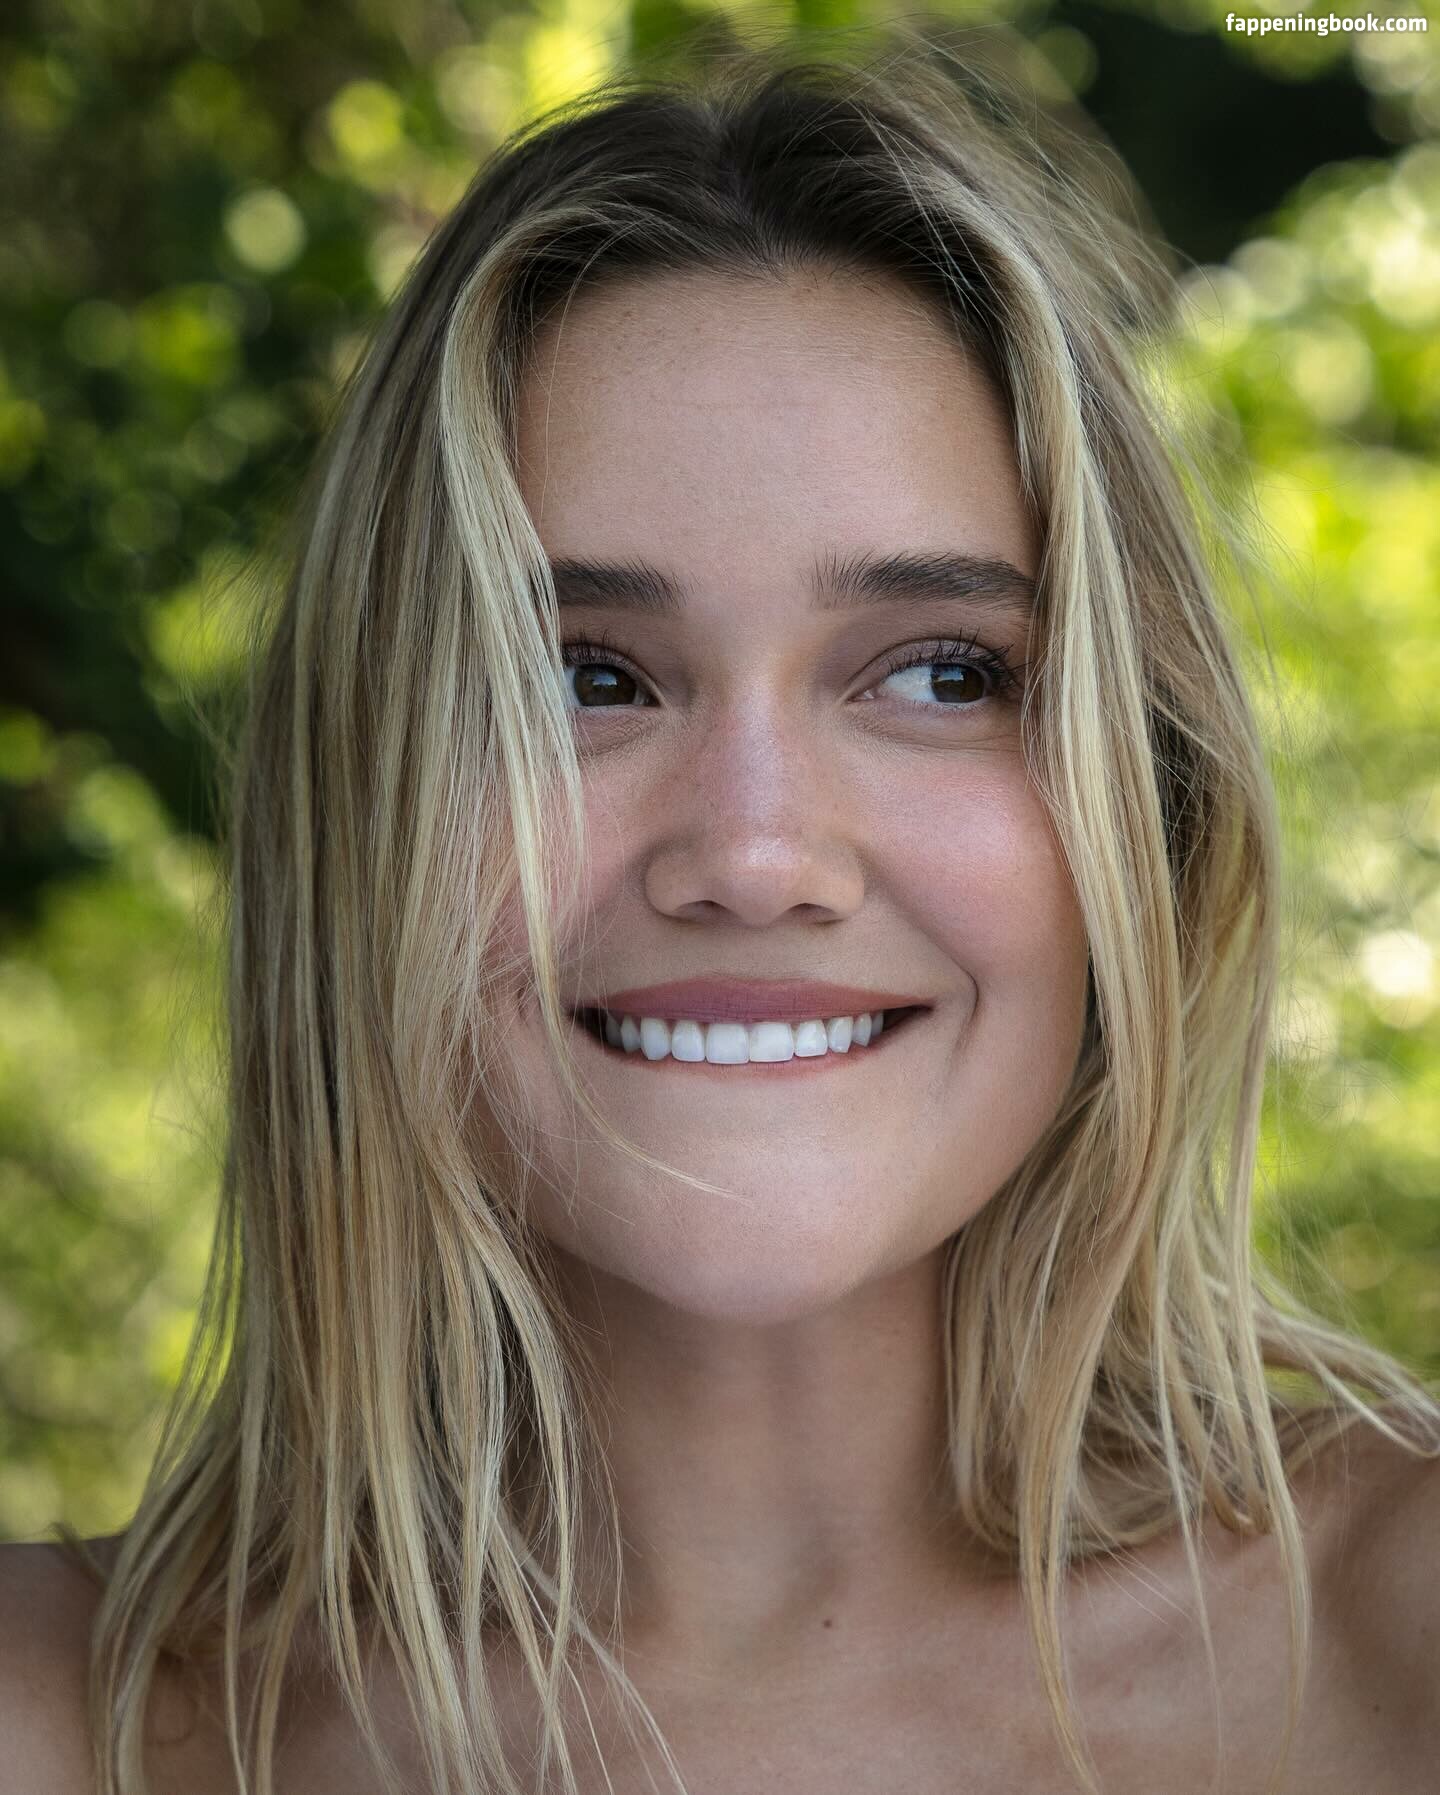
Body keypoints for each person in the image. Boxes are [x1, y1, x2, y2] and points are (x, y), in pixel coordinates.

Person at [3, 28, 1438, 1795]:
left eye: (939, 672)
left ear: (1149, 803)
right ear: (361, 814)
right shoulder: (60, 1723)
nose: (756, 854)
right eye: (582, 679)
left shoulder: (1403, 1634)